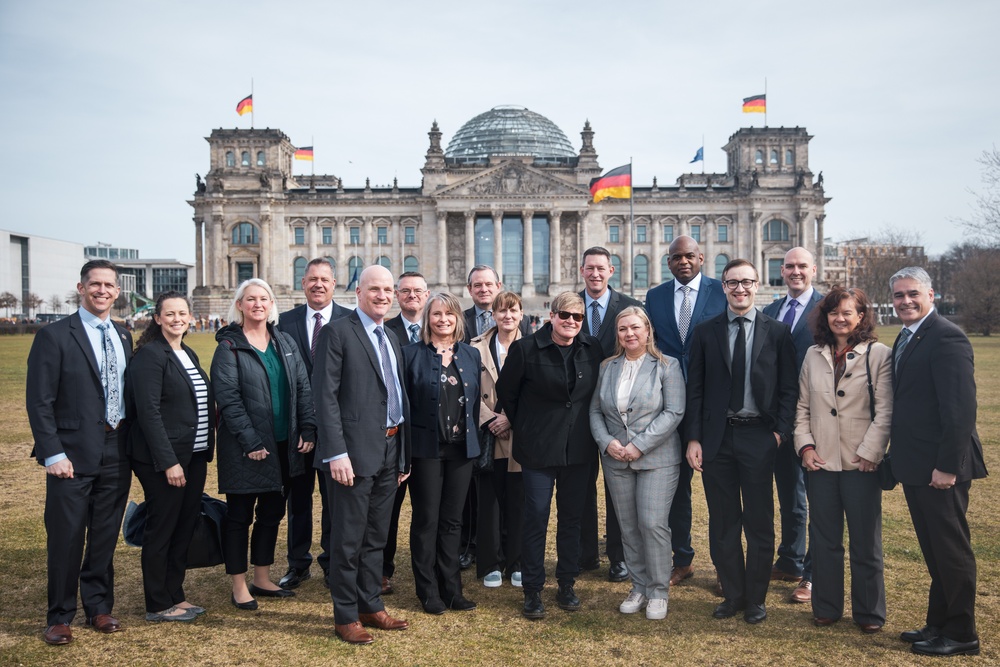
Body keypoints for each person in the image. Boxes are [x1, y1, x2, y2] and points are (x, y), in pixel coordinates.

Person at [685, 259, 797, 625]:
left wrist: (779, 432)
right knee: (723, 522)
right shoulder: (705, 332)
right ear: (723, 286)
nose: (740, 289)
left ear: (757, 284)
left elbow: (788, 389)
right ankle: (733, 594)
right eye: (733, 283)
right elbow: (695, 390)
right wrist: (694, 438)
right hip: (717, 440)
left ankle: (756, 598)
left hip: (759, 437)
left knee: (760, 522)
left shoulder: (777, 332)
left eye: (746, 282)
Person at [27, 260, 133, 645]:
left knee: (104, 535)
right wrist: (53, 453)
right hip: (71, 454)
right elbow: (39, 401)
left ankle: (99, 607)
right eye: (95, 284)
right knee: (67, 536)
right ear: (81, 287)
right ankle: (59, 615)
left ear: (117, 291)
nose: (102, 290)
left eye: (109, 285)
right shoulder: (54, 335)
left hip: (116, 448)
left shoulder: (123, 336)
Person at [889, 267, 987, 657]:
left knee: (951, 551)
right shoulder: (909, 334)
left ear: (932, 294)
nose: (905, 301)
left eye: (913, 293)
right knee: (933, 550)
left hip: (942, 467)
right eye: (898, 295)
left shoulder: (947, 337)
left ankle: (962, 632)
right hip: (917, 464)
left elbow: (960, 410)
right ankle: (938, 622)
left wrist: (947, 466)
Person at [313, 265, 411, 645]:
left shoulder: (390, 336)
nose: (383, 296)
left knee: (376, 536)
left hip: (389, 448)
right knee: (348, 538)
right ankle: (345, 614)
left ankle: (371, 605)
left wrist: (402, 455)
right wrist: (336, 452)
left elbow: (397, 398)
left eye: (389, 290)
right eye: (376, 289)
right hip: (352, 454)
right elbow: (325, 397)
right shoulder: (338, 332)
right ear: (358, 291)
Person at [212, 279, 316, 611]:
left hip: (284, 444)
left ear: (272, 304)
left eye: (264, 298)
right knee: (240, 516)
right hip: (247, 447)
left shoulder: (284, 341)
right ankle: (239, 585)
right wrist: (250, 440)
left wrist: (308, 428)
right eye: (251, 299)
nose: (258, 304)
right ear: (239, 305)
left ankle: (262, 577)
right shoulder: (228, 346)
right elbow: (228, 400)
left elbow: (302, 387)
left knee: (271, 513)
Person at [497, 292, 602, 620]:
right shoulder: (526, 349)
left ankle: (567, 583)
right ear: (551, 316)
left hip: (579, 449)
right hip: (538, 448)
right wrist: (528, 425)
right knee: (536, 518)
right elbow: (507, 393)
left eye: (578, 317)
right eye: (565, 315)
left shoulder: (592, 348)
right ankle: (532, 589)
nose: (571, 321)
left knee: (572, 518)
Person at [794, 287, 892, 633]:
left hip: (860, 463)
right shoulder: (812, 355)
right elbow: (802, 408)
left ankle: (869, 613)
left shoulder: (879, 354)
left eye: (847, 313)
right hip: (820, 462)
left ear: (861, 317)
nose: (840, 318)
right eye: (834, 312)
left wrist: (870, 453)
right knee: (825, 541)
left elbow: (885, 412)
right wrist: (805, 447)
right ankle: (827, 607)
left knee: (865, 541)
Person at [589, 307, 685, 621]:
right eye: (622, 329)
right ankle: (639, 586)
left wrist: (638, 446)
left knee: (652, 524)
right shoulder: (607, 367)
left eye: (635, 328)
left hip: (657, 458)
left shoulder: (667, 366)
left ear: (647, 330)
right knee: (628, 528)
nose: (629, 334)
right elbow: (595, 412)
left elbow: (673, 413)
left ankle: (658, 590)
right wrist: (608, 443)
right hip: (616, 458)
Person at [126, 291, 214, 622]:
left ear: (191, 317)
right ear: (158, 318)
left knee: (183, 526)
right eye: (170, 314)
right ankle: (158, 602)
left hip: (193, 455)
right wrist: (168, 462)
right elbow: (148, 413)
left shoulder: (186, 352)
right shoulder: (150, 355)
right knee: (162, 528)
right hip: (163, 460)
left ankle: (176, 594)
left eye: (182, 313)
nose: (177, 319)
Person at [645, 235, 726, 589]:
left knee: (721, 490)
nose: (683, 262)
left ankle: (726, 567)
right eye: (676, 257)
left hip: (712, 406)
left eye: (689, 256)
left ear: (701, 258)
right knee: (676, 491)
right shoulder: (655, 296)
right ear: (669, 262)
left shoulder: (722, 292)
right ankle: (683, 559)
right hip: (672, 405)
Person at [403, 292, 482, 613]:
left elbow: (474, 405)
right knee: (426, 520)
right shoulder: (410, 355)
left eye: (449, 314)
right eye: (436, 314)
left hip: (461, 451)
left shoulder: (470, 355)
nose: (443, 320)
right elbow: (405, 406)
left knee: (452, 522)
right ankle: (428, 591)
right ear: (427, 319)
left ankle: (452, 589)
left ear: (458, 319)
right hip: (426, 451)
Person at [277, 259, 351, 591]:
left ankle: (332, 563)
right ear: (302, 283)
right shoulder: (284, 321)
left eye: (324, 280)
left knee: (336, 501)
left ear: (334, 283)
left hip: (338, 427)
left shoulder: (351, 319)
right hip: (298, 430)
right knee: (299, 498)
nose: (318, 285)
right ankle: (298, 563)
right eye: (312, 280)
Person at [762, 247, 824, 603]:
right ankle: (790, 560)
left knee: (817, 498)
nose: (795, 272)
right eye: (790, 267)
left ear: (813, 269)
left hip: (816, 418)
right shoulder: (771, 310)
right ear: (781, 271)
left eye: (802, 266)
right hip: (779, 418)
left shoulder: (827, 310)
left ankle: (812, 576)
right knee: (788, 493)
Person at [578, 246, 642, 582]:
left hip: (620, 415)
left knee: (619, 490)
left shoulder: (631, 307)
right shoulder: (569, 306)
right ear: (581, 270)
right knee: (580, 488)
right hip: (577, 415)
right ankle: (586, 553)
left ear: (611, 271)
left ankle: (618, 556)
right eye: (590, 268)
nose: (595, 274)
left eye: (601, 268)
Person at [470, 291, 525, 589]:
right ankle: (490, 562)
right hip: (488, 433)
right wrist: (490, 419)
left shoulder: (532, 346)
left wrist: (510, 419)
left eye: (513, 310)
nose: (507, 316)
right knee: (489, 501)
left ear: (521, 314)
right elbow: (468, 392)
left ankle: (517, 561)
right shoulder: (474, 347)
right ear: (493, 315)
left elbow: (535, 392)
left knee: (518, 500)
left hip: (518, 435)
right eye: (501, 311)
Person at [382, 271, 430, 595]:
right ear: (397, 296)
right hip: (394, 436)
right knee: (388, 510)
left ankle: (428, 571)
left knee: (428, 512)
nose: (412, 296)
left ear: (427, 295)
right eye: (406, 291)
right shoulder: (384, 332)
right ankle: (382, 570)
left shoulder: (439, 327)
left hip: (429, 437)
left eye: (418, 291)